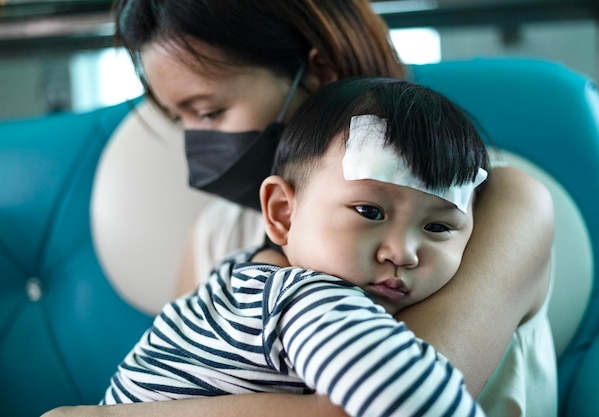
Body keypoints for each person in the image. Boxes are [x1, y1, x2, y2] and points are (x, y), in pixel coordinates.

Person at [42, 0, 555, 416]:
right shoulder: (217, 233)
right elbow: (180, 382)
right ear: (280, 212)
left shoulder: (496, 200)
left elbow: (384, 403)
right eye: (183, 121)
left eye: (210, 111)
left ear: (318, 70)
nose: (199, 143)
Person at [102, 77, 496, 416]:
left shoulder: (241, 278)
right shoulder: (304, 299)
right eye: (369, 211)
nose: (403, 252)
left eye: (437, 225)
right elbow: (417, 404)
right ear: (283, 214)